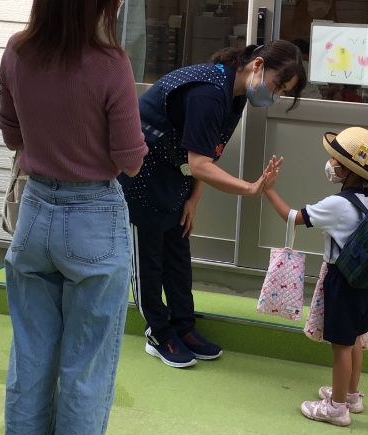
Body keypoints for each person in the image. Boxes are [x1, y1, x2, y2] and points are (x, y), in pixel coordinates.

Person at [0, 0, 148, 435]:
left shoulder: (16, 52)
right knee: (86, 366)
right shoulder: (109, 64)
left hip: (36, 209)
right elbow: (130, 160)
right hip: (94, 217)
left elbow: (12, 134)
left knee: (30, 359)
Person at [118, 41, 307, 368]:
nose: (273, 96)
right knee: (148, 258)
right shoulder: (208, 91)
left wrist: (193, 198)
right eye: (277, 85)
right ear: (257, 65)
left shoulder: (234, 95)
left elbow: (208, 152)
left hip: (176, 173)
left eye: (281, 92)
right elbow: (201, 162)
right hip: (142, 173)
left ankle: (183, 325)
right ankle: (158, 332)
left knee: (177, 255)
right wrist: (250, 188)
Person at [263, 127, 368, 427]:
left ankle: (336, 408)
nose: (330, 164)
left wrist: (268, 189)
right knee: (355, 337)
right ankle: (351, 395)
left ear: (347, 170)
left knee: (341, 345)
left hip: (342, 281)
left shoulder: (338, 205)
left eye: (334, 160)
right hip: (364, 282)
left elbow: (294, 217)